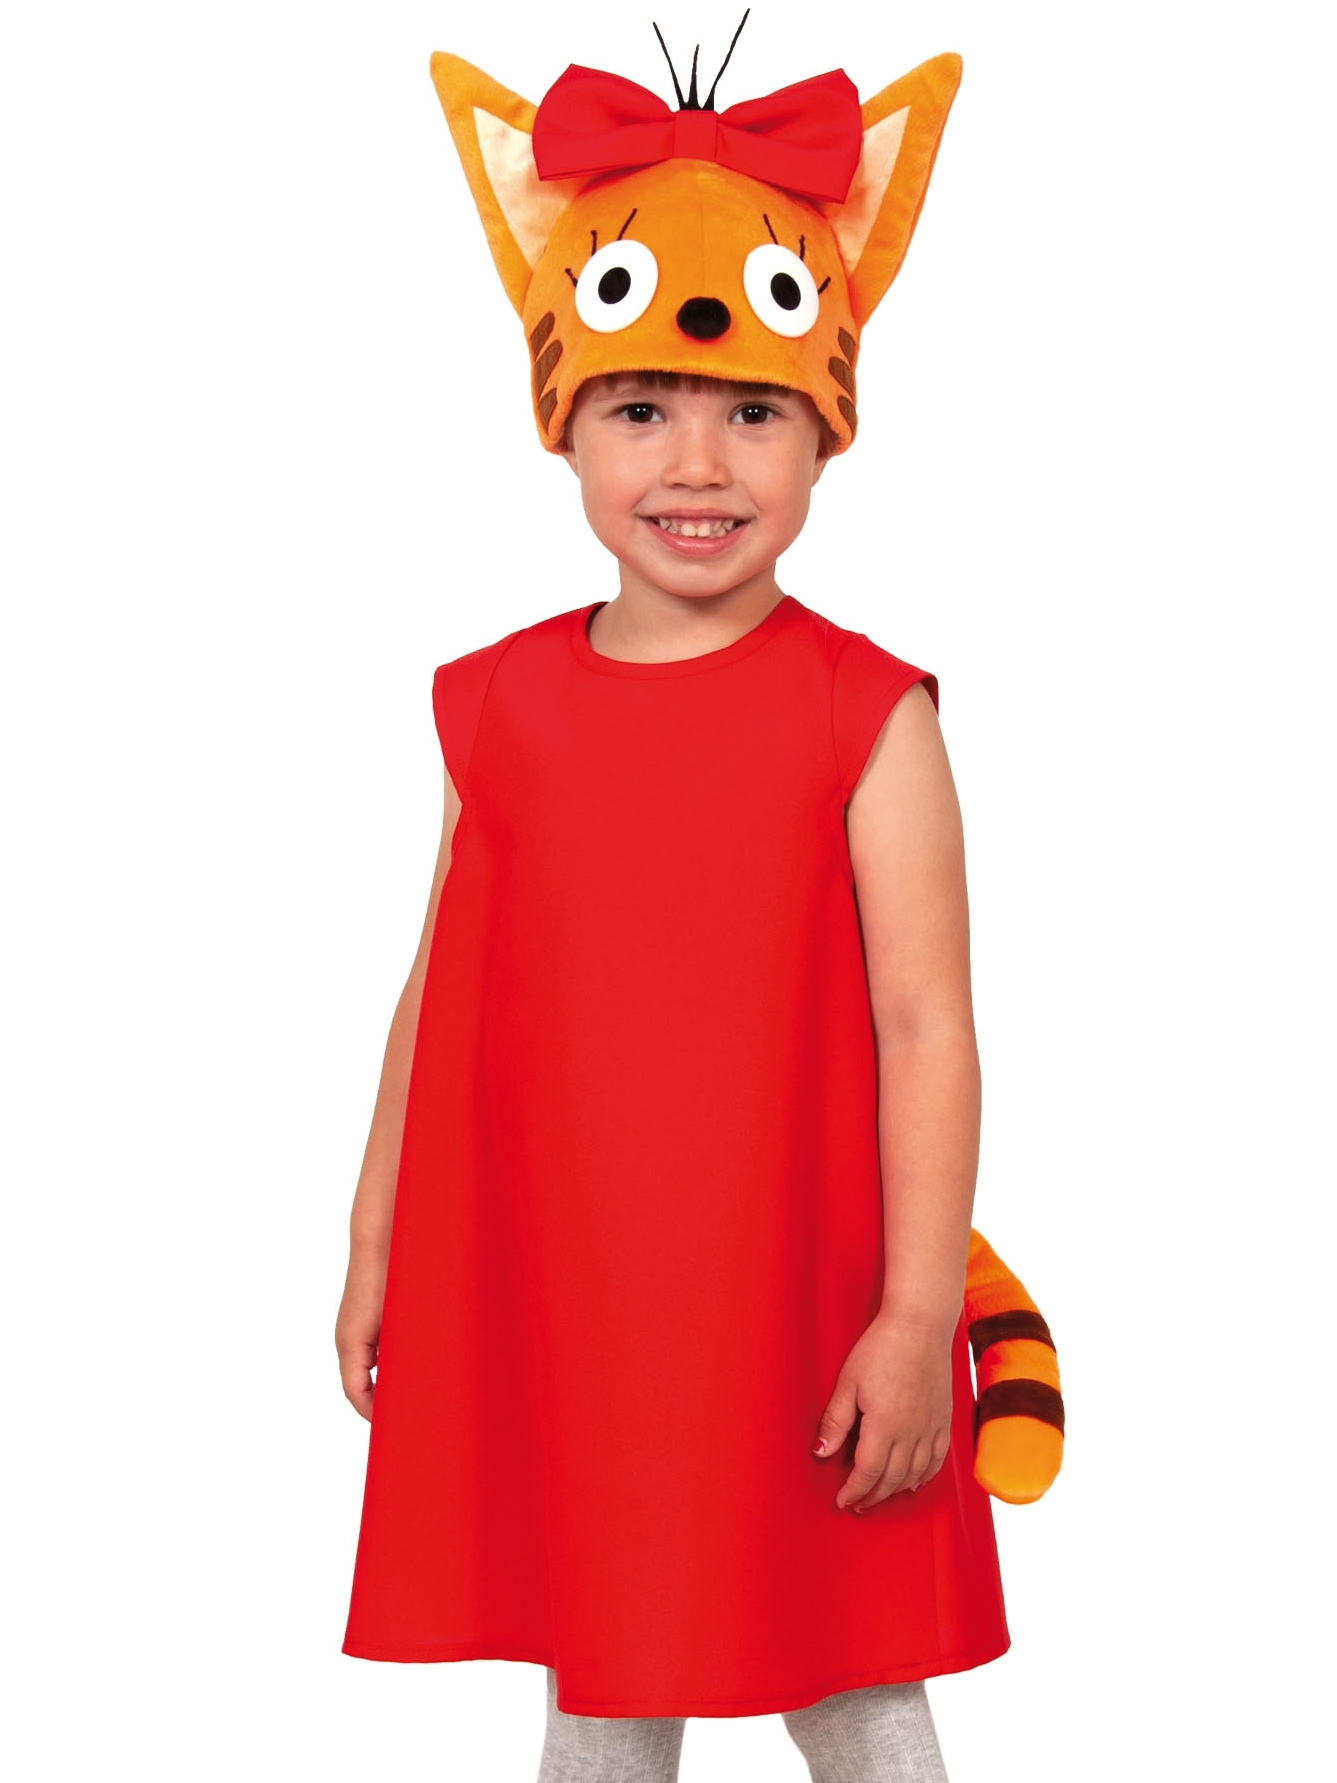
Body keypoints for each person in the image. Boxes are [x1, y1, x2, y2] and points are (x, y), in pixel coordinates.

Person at [337, 27, 1061, 1781]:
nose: (698, 465)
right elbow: (438, 986)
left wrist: (915, 1316)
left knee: (853, 1674)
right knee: (601, 1664)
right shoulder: (498, 706)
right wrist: (376, 1242)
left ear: (825, 434)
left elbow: (927, 1028)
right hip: (574, 1293)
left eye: (753, 413)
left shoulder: (866, 714)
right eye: (640, 407)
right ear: (561, 423)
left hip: (799, 1307)